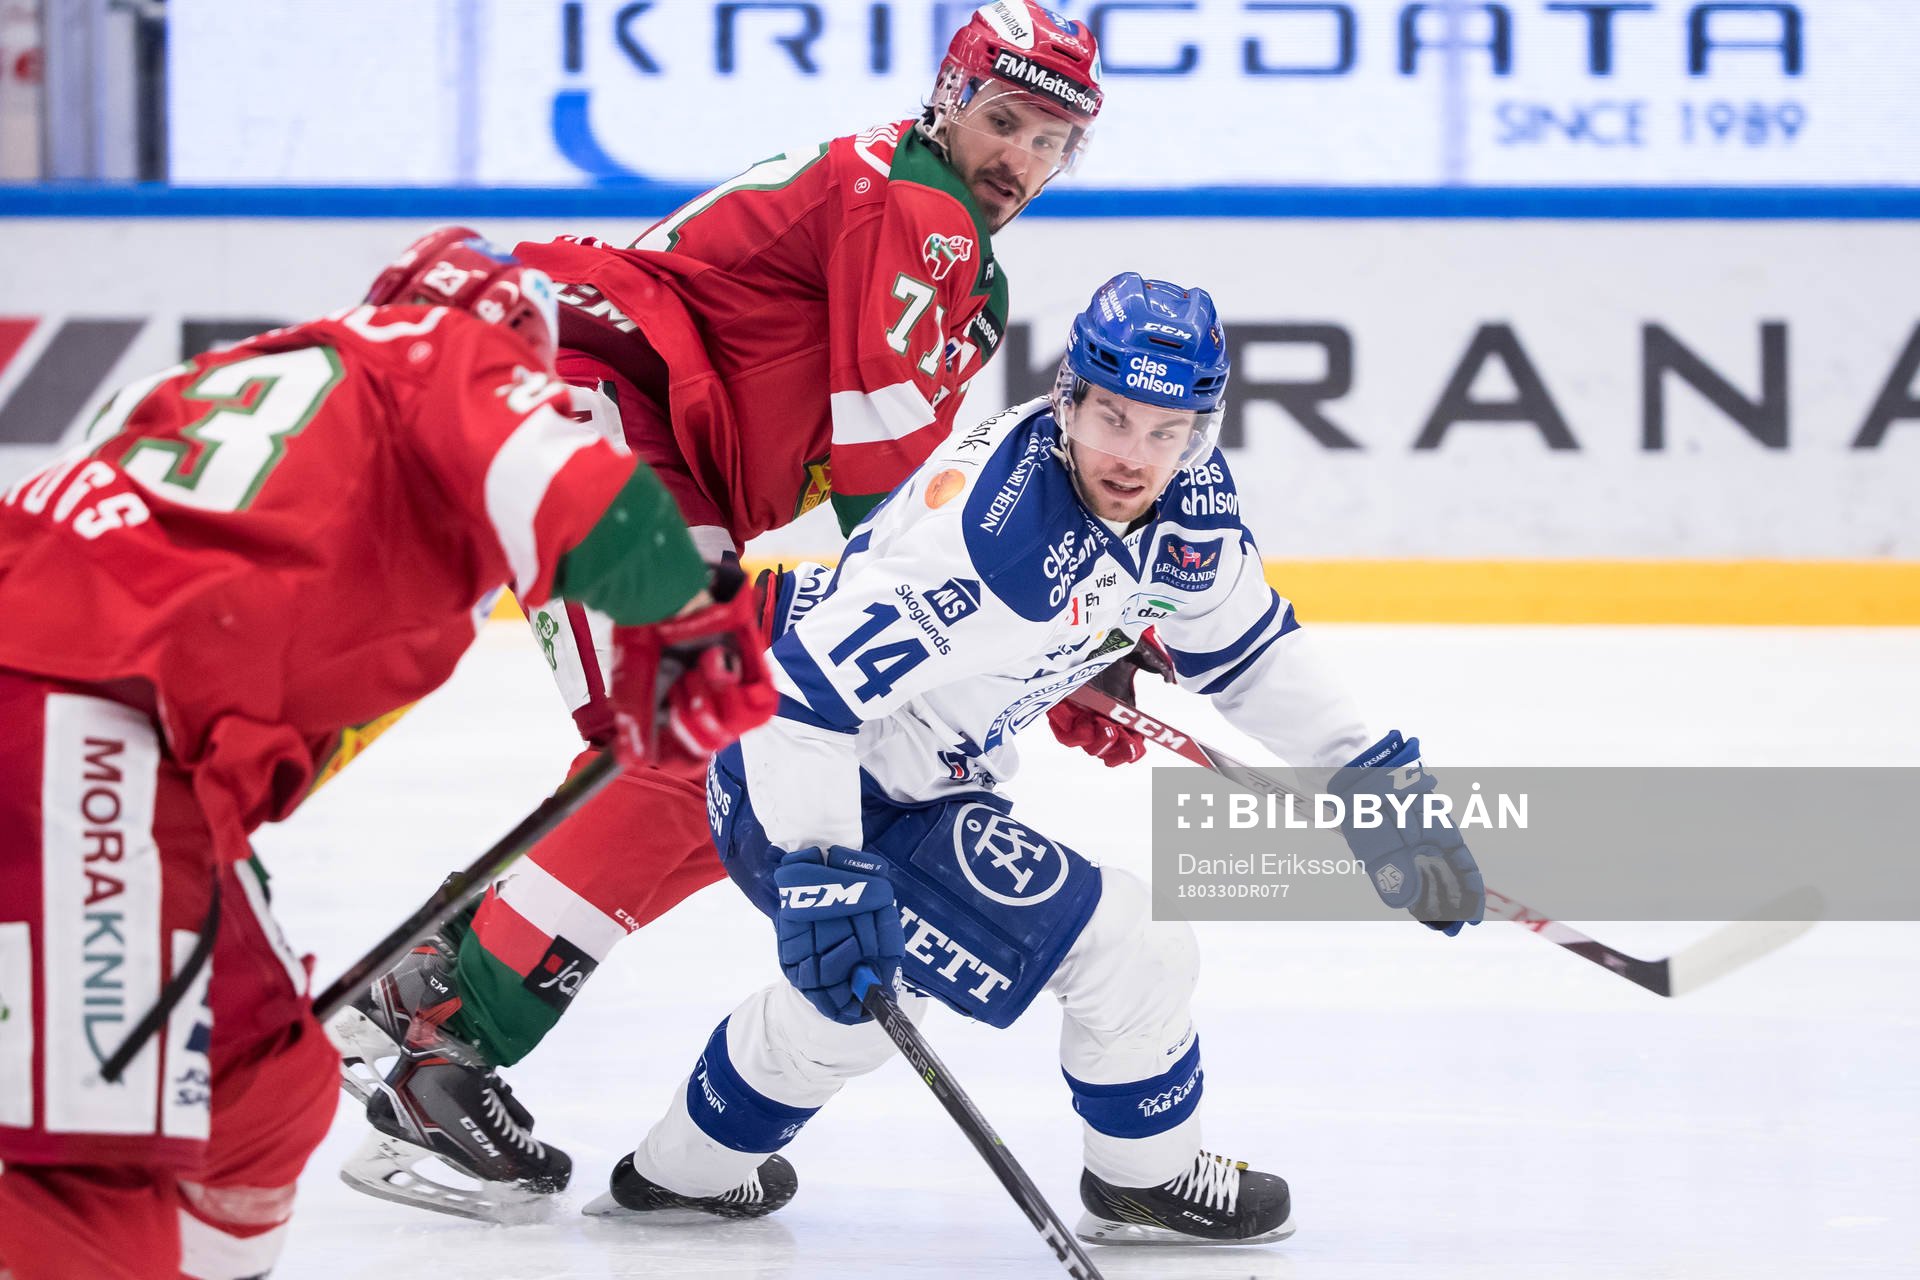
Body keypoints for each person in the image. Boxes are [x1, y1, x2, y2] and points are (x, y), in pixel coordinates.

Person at [332, 1, 1114, 1217]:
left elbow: (884, 511)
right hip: (590, 404)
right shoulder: (923, 215)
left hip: (621, 425)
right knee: (698, 740)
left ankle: (436, 981)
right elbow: (889, 500)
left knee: (724, 751)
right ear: (952, 97)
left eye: (1053, 139)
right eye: (1005, 119)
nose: (1022, 157)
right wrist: (1036, 648)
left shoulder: (941, 236)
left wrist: (1053, 655)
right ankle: (443, 1047)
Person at [585, 274, 1486, 1238]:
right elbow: (800, 691)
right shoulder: (993, 544)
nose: (1135, 457)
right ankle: (1147, 1177)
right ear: (1070, 400)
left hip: (915, 778)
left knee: (850, 1009)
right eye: (1114, 418)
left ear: (1202, 430)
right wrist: (821, 869)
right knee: (1131, 949)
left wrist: (1372, 777)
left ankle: (676, 1176)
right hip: (819, 784)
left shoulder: (1189, 504)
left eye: (1166, 429)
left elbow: (1251, 653)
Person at [0, 228, 777, 1280]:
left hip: (115, 750)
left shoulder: (242, 374)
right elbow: (569, 478)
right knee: (94, 1161)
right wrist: (688, 616)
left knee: (259, 1082)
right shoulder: (444, 356)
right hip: (82, 744)